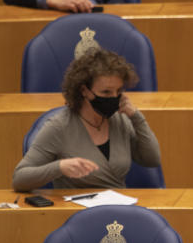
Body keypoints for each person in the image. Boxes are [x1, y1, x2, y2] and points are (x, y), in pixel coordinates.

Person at [12, 48, 161, 191]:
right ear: (84, 91)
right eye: (106, 92)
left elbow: (152, 159)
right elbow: (19, 178)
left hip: (117, 208)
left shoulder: (120, 120)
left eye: (119, 91)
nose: (114, 98)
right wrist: (59, 167)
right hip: (77, 212)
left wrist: (136, 117)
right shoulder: (59, 127)